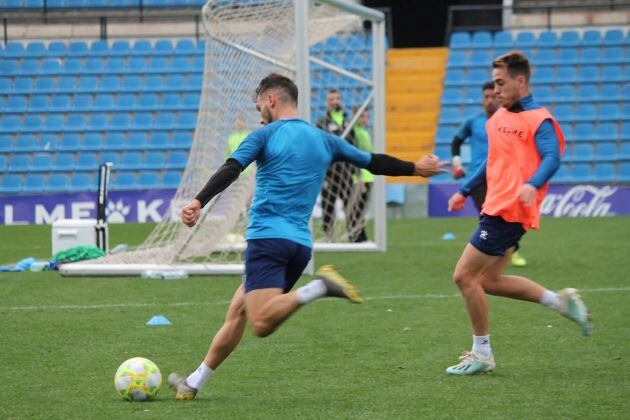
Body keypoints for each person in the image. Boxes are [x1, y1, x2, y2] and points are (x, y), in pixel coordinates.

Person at [168, 73, 448, 399]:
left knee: (259, 323)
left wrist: (198, 200)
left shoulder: (266, 134)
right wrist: (416, 168)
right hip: (300, 246)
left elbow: (232, 167)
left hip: (267, 240)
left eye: (261, 105)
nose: (260, 114)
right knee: (238, 313)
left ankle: (320, 287)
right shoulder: (324, 139)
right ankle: (193, 383)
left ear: (272, 99)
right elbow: (373, 162)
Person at [445, 52, 591, 376]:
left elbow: (552, 157)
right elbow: (489, 163)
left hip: (509, 210)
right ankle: (559, 303)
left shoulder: (539, 119)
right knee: (488, 281)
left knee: (464, 276)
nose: (495, 90)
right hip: (495, 206)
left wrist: (532, 183)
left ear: (520, 81)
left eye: (500, 82)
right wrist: (464, 191)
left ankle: (482, 354)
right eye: (494, 83)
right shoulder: (497, 118)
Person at [451, 81, 528, 267]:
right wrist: (457, 164)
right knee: (486, 216)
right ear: (482, 99)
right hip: (479, 176)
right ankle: (495, 252)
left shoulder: (508, 121)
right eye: (486, 97)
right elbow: (456, 141)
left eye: (493, 96)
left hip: (503, 177)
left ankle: (510, 251)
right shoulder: (473, 121)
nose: (490, 100)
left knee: (503, 217)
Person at [317, 89, 360, 241]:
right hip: (329, 172)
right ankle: (328, 236)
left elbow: (354, 146)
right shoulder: (321, 124)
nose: (335, 101)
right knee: (328, 206)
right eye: (331, 99)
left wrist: (356, 170)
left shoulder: (348, 122)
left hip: (346, 171)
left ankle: (355, 235)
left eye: (337, 98)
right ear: (327, 103)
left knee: (351, 205)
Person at [348, 107, 374, 242]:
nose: (365, 119)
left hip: (369, 175)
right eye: (362, 116)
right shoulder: (354, 132)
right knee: (357, 208)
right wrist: (359, 176)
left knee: (362, 209)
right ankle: (356, 237)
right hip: (360, 176)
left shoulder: (364, 131)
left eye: (367, 116)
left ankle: (361, 236)